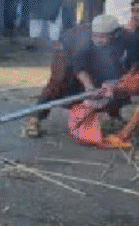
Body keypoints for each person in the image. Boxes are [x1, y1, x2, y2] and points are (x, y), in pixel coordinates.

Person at [22, 14, 132, 148]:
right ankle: (35, 118)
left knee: (118, 88)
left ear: (114, 35)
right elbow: (79, 66)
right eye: (95, 36)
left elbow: (129, 65)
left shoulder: (125, 40)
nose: (98, 40)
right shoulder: (82, 43)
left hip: (99, 61)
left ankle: (113, 115)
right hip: (67, 52)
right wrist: (88, 86)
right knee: (59, 82)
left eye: (102, 37)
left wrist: (116, 81)